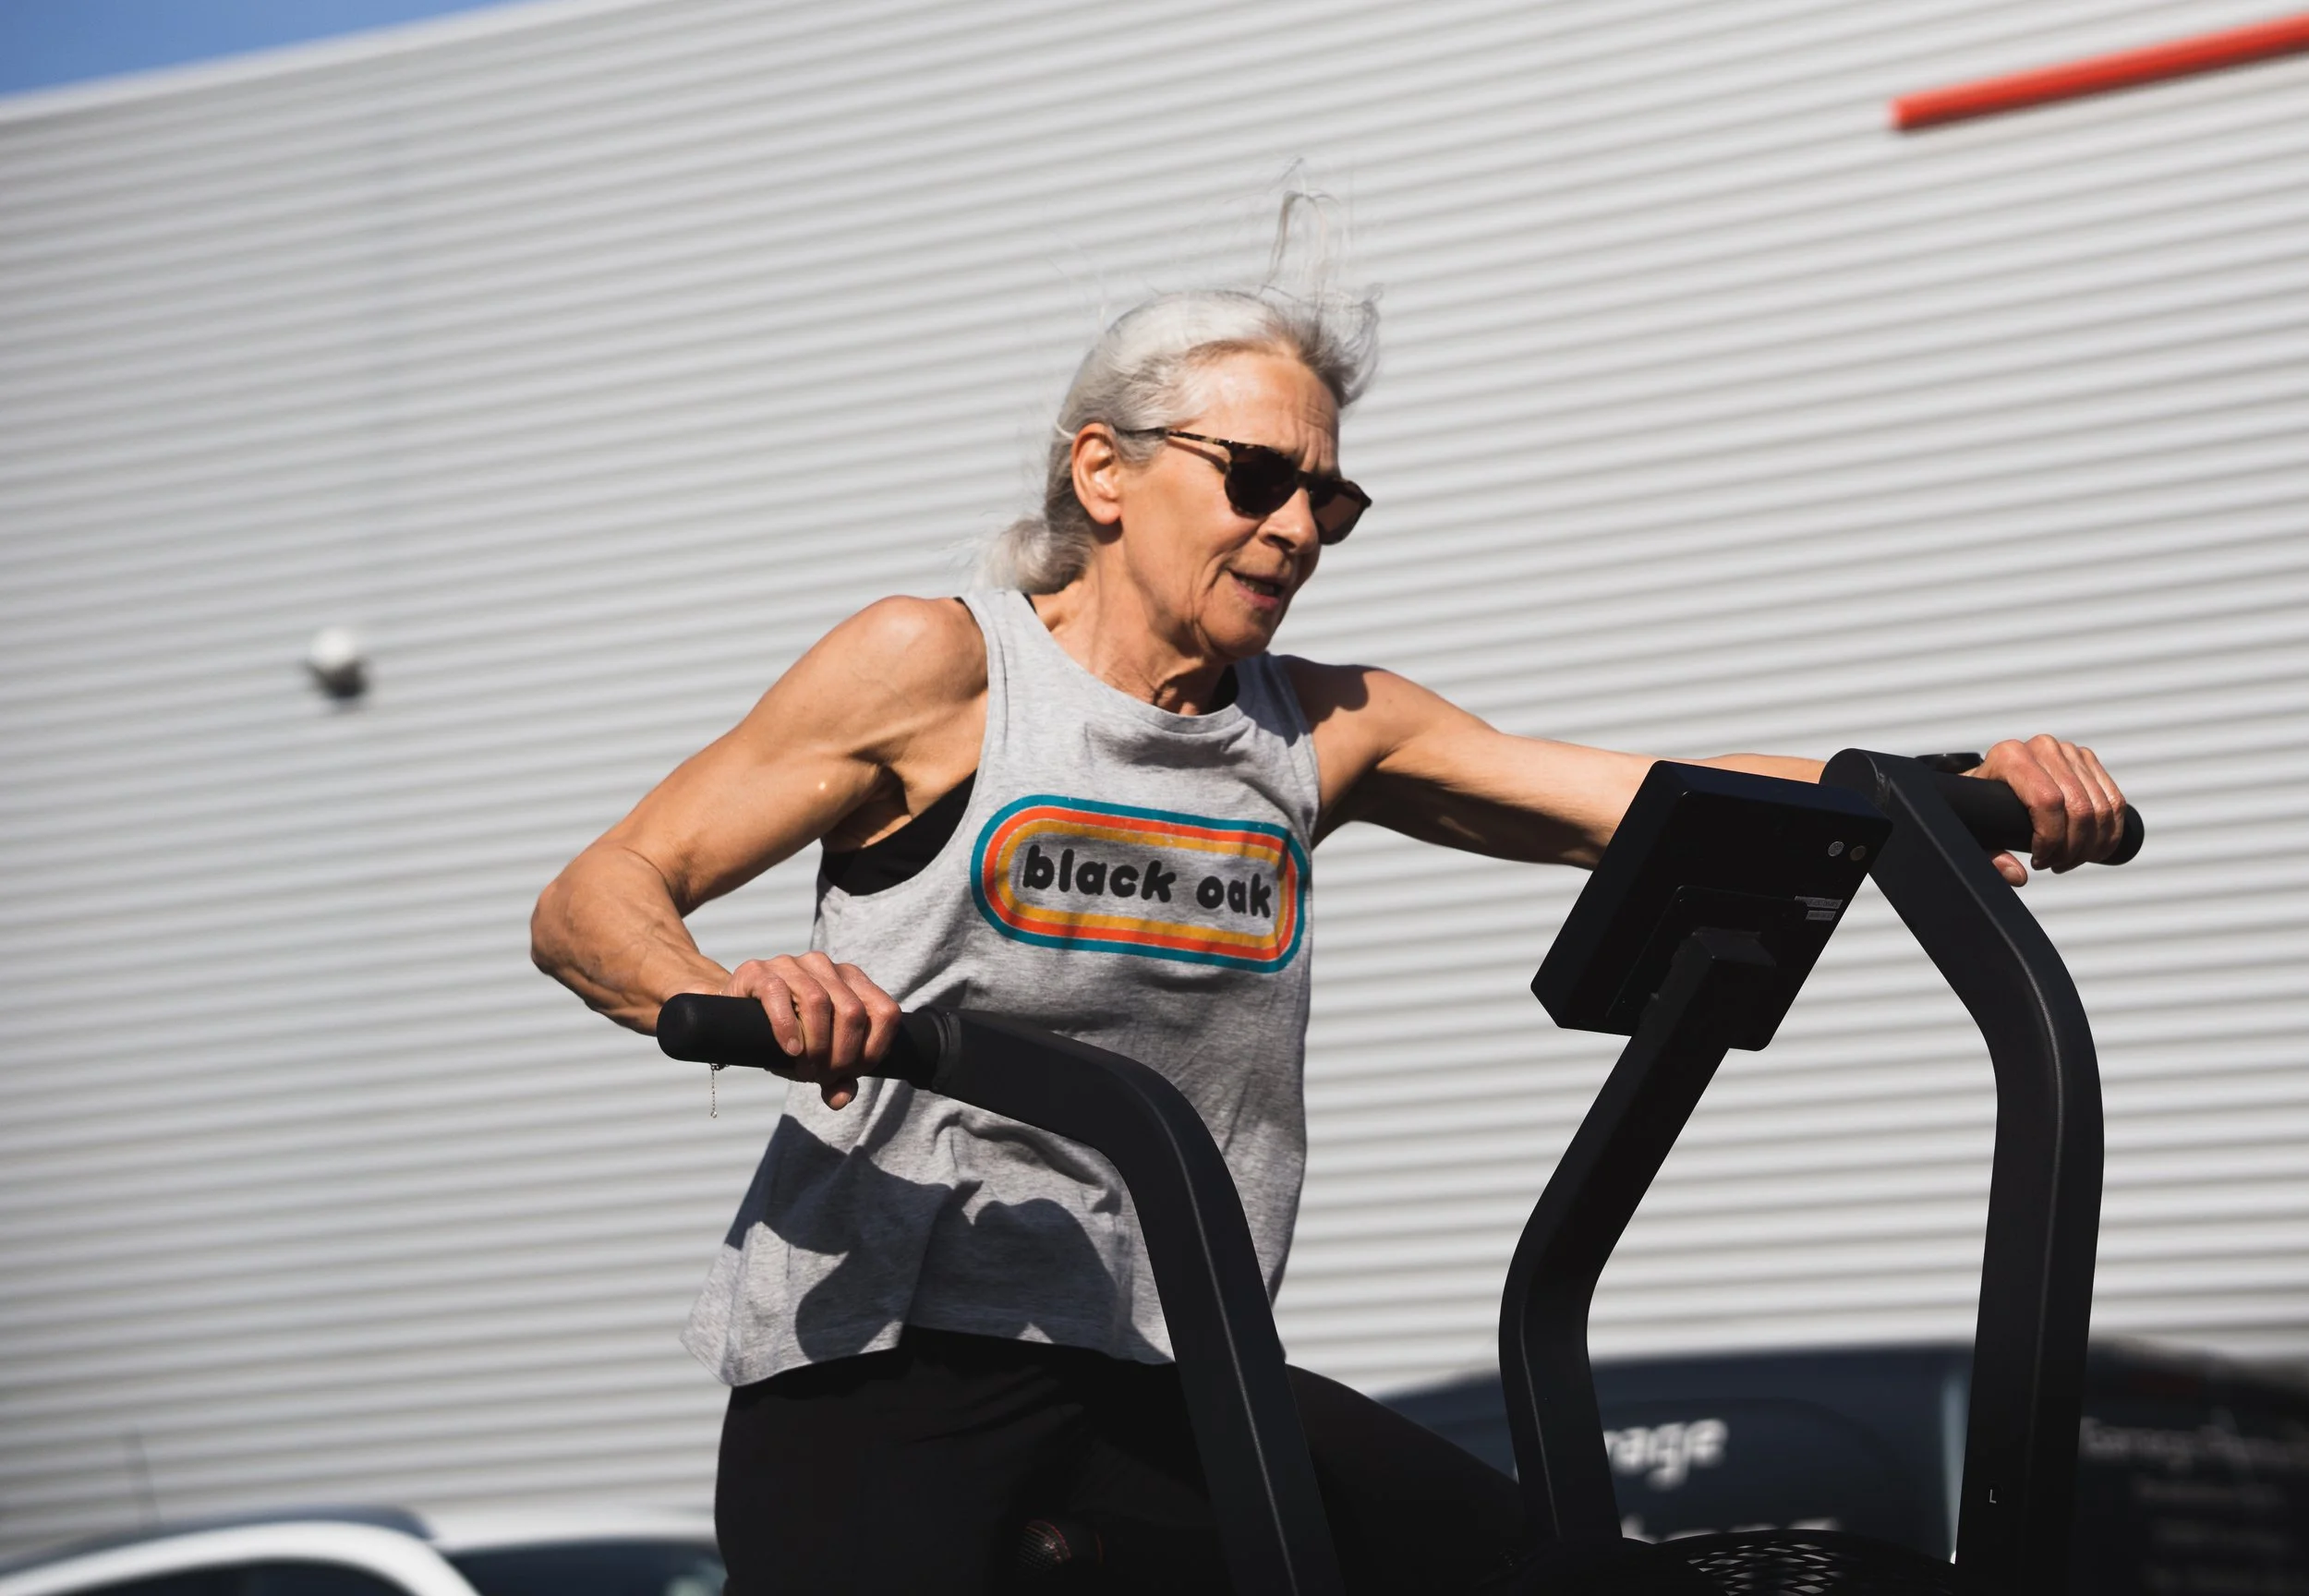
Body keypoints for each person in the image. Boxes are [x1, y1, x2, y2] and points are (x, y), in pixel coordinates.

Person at [531, 260, 2128, 1595]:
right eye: (1256, 479)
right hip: (893, 1385)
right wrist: (730, 988)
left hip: (1174, 1370)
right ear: (1106, 471)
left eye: (1330, 497)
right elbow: (598, 893)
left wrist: (1940, 793)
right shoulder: (941, 673)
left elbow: (1623, 794)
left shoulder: (1322, 732)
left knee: (1568, 1575)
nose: (1295, 529)